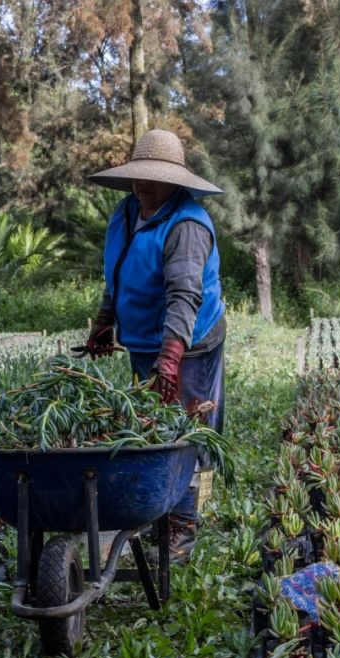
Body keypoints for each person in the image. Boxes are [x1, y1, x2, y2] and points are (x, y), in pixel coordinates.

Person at [84, 129, 226, 438]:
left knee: (191, 430)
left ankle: (198, 485)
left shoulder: (186, 226)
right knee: (152, 424)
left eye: (154, 178)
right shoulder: (127, 212)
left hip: (187, 344)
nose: (143, 184)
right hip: (145, 341)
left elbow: (184, 296)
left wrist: (170, 357)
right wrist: (105, 320)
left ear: (175, 182)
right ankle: (164, 485)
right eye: (140, 175)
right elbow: (118, 273)